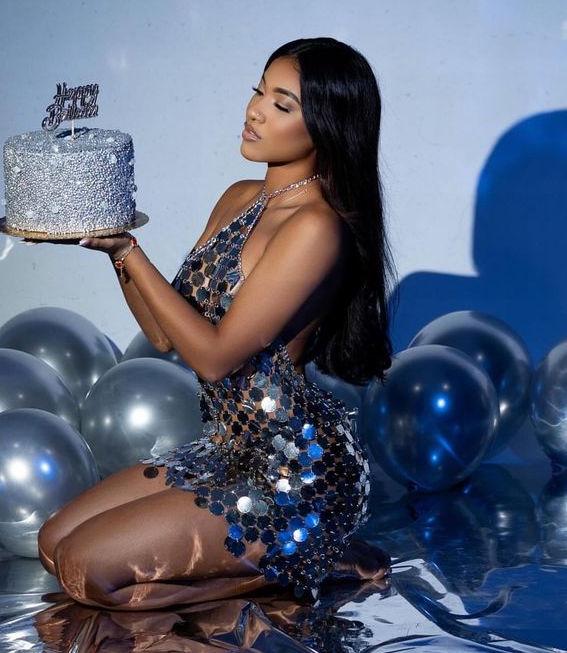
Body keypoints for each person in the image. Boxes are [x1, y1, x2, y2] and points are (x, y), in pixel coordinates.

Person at [37, 37, 395, 611]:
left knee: (86, 571)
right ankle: (296, 559)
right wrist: (113, 249)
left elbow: (214, 357)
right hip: (227, 448)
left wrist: (131, 251)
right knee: (53, 543)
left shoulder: (315, 228)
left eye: (281, 104)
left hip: (291, 474)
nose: (254, 110)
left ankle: (310, 558)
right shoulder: (238, 198)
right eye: (258, 92)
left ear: (327, 125)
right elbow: (163, 333)